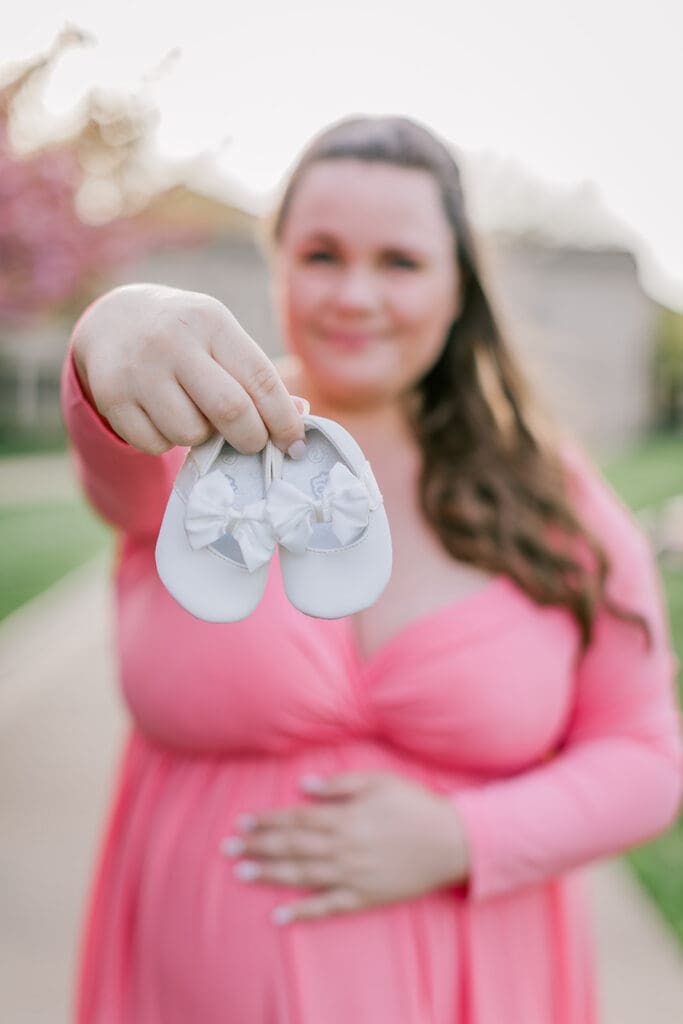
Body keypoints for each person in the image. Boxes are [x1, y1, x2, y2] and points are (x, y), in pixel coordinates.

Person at [62, 115, 682, 1023]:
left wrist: (461, 837)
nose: (355, 294)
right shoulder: (186, 455)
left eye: (399, 261)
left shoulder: (557, 501)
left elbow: (645, 758)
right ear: (276, 264)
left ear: (458, 284)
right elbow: (106, 428)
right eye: (320, 254)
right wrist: (109, 328)